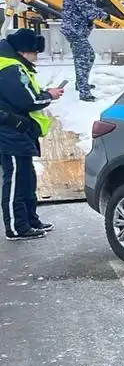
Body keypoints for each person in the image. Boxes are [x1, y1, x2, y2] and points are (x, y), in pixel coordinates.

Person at [0, 28, 65, 241]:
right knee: (16, 180)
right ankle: (16, 227)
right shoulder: (10, 68)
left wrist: (44, 94)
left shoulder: (15, 65)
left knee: (27, 179)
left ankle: (30, 220)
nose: (37, 56)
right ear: (24, 51)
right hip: (10, 133)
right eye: (35, 52)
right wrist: (50, 95)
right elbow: (27, 100)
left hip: (20, 131)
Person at [60, 0, 108, 102]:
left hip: (78, 29)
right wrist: (104, 15)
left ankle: (81, 83)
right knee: (85, 57)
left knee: (83, 57)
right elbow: (87, 11)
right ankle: (84, 92)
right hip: (74, 30)